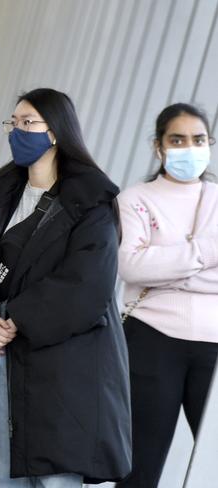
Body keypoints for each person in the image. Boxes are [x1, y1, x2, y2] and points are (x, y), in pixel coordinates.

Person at [0, 88, 132, 487]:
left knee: (55, 476)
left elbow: (88, 285)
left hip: (64, 370)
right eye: (13, 123)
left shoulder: (90, 202)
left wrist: (15, 317)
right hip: (1, 360)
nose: (18, 132)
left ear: (57, 133)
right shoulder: (0, 198)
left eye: (29, 123)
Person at [116, 103, 218, 488]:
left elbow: (150, 267)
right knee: (140, 466)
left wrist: (169, 268)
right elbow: (132, 267)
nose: (188, 148)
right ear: (158, 146)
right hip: (151, 338)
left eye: (198, 140)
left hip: (213, 343)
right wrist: (204, 254)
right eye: (177, 140)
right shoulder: (136, 200)